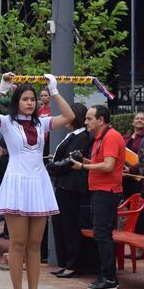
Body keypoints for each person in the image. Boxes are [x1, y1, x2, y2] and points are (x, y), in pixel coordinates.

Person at [0, 73, 74, 289]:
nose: (30, 103)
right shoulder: (7, 122)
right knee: (18, 243)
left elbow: (70, 117)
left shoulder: (41, 123)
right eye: (25, 99)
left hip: (38, 182)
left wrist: (54, 91)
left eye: (33, 99)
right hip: (17, 183)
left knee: (34, 244)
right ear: (16, 101)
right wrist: (2, 88)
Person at [71, 105, 126, 289]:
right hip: (99, 191)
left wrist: (83, 167)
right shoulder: (99, 138)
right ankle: (107, 275)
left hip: (106, 192)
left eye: (89, 118)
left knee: (102, 234)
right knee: (101, 233)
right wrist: (83, 160)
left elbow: (109, 166)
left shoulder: (111, 137)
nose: (85, 122)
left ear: (100, 120)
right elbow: (100, 163)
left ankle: (109, 277)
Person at [46, 103, 90, 279]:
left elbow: (71, 160)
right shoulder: (72, 135)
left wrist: (52, 167)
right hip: (63, 185)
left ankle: (73, 264)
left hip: (71, 186)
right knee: (59, 224)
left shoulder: (82, 136)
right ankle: (64, 262)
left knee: (69, 225)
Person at [122, 112, 144, 199]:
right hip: (124, 176)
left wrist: (131, 170)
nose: (139, 120)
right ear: (133, 122)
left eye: (142, 119)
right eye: (137, 118)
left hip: (139, 177)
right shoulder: (126, 137)